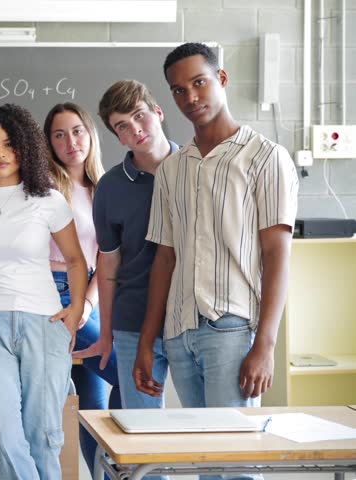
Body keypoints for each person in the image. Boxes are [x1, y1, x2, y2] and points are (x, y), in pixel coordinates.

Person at [133, 43, 299, 480]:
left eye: (199, 83)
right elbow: (164, 258)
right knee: (207, 462)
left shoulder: (265, 157)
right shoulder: (172, 169)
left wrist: (265, 344)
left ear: (221, 80)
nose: (190, 97)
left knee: (238, 464)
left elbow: (276, 253)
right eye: (178, 90)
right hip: (179, 332)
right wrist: (149, 341)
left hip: (231, 329)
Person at [0, 103, 88, 479]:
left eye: (9, 144)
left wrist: (75, 310)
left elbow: (77, 261)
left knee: (43, 435)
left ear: (24, 147)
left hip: (43, 322)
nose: (0, 154)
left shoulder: (48, 199)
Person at [75, 79, 180, 480]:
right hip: (134, 322)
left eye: (139, 115)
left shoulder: (195, 168)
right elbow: (108, 264)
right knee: (141, 440)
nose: (134, 128)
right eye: (121, 125)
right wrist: (106, 334)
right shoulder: (111, 187)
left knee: (210, 430)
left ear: (158, 112)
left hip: (193, 319)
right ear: (114, 135)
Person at [43, 102, 120, 480]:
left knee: (93, 406)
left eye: (76, 130)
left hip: (96, 292)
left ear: (90, 134)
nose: (70, 141)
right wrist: (80, 304)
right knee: (133, 376)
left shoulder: (105, 187)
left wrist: (89, 303)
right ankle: (139, 472)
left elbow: (107, 255)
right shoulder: (42, 187)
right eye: (59, 134)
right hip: (56, 291)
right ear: (49, 143)